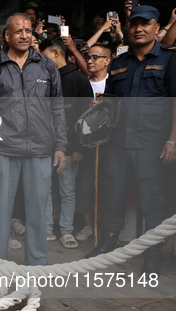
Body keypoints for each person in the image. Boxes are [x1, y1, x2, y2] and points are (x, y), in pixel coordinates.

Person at [86, 6, 176, 277]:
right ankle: (107, 245)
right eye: (133, 24)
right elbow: (111, 100)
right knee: (113, 197)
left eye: (144, 24)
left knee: (153, 202)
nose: (138, 29)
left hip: (152, 144)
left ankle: (152, 256)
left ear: (155, 26)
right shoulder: (119, 62)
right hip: (118, 143)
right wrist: (100, 108)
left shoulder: (170, 60)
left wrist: (172, 141)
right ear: (128, 27)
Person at [0, 13, 67, 266]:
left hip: (40, 149)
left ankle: (37, 264)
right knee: (1, 213)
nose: (25, 35)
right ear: (7, 36)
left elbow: (58, 108)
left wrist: (60, 145)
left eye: (28, 30)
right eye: (18, 31)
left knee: (38, 211)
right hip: (4, 149)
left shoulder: (47, 65)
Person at [40, 36, 93, 248]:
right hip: (44, 147)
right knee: (44, 189)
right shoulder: (42, 79)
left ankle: (67, 230)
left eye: (44, 56)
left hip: (71, 148)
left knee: (68, 190)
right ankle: (46, 229)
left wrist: (80, 147)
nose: (42, 61)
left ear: (56, 53)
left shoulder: (80, 80)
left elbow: (86, 118)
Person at [74, 43, 111, 243]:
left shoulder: (115, 83)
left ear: (107, 60)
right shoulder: (82, 83)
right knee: (86, 184)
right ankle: (88, 226)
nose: (90, 61)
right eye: (88, 57)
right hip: (87, 145)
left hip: (111, 144)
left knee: (109, 185)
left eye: (95, 57)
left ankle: (108, 227)